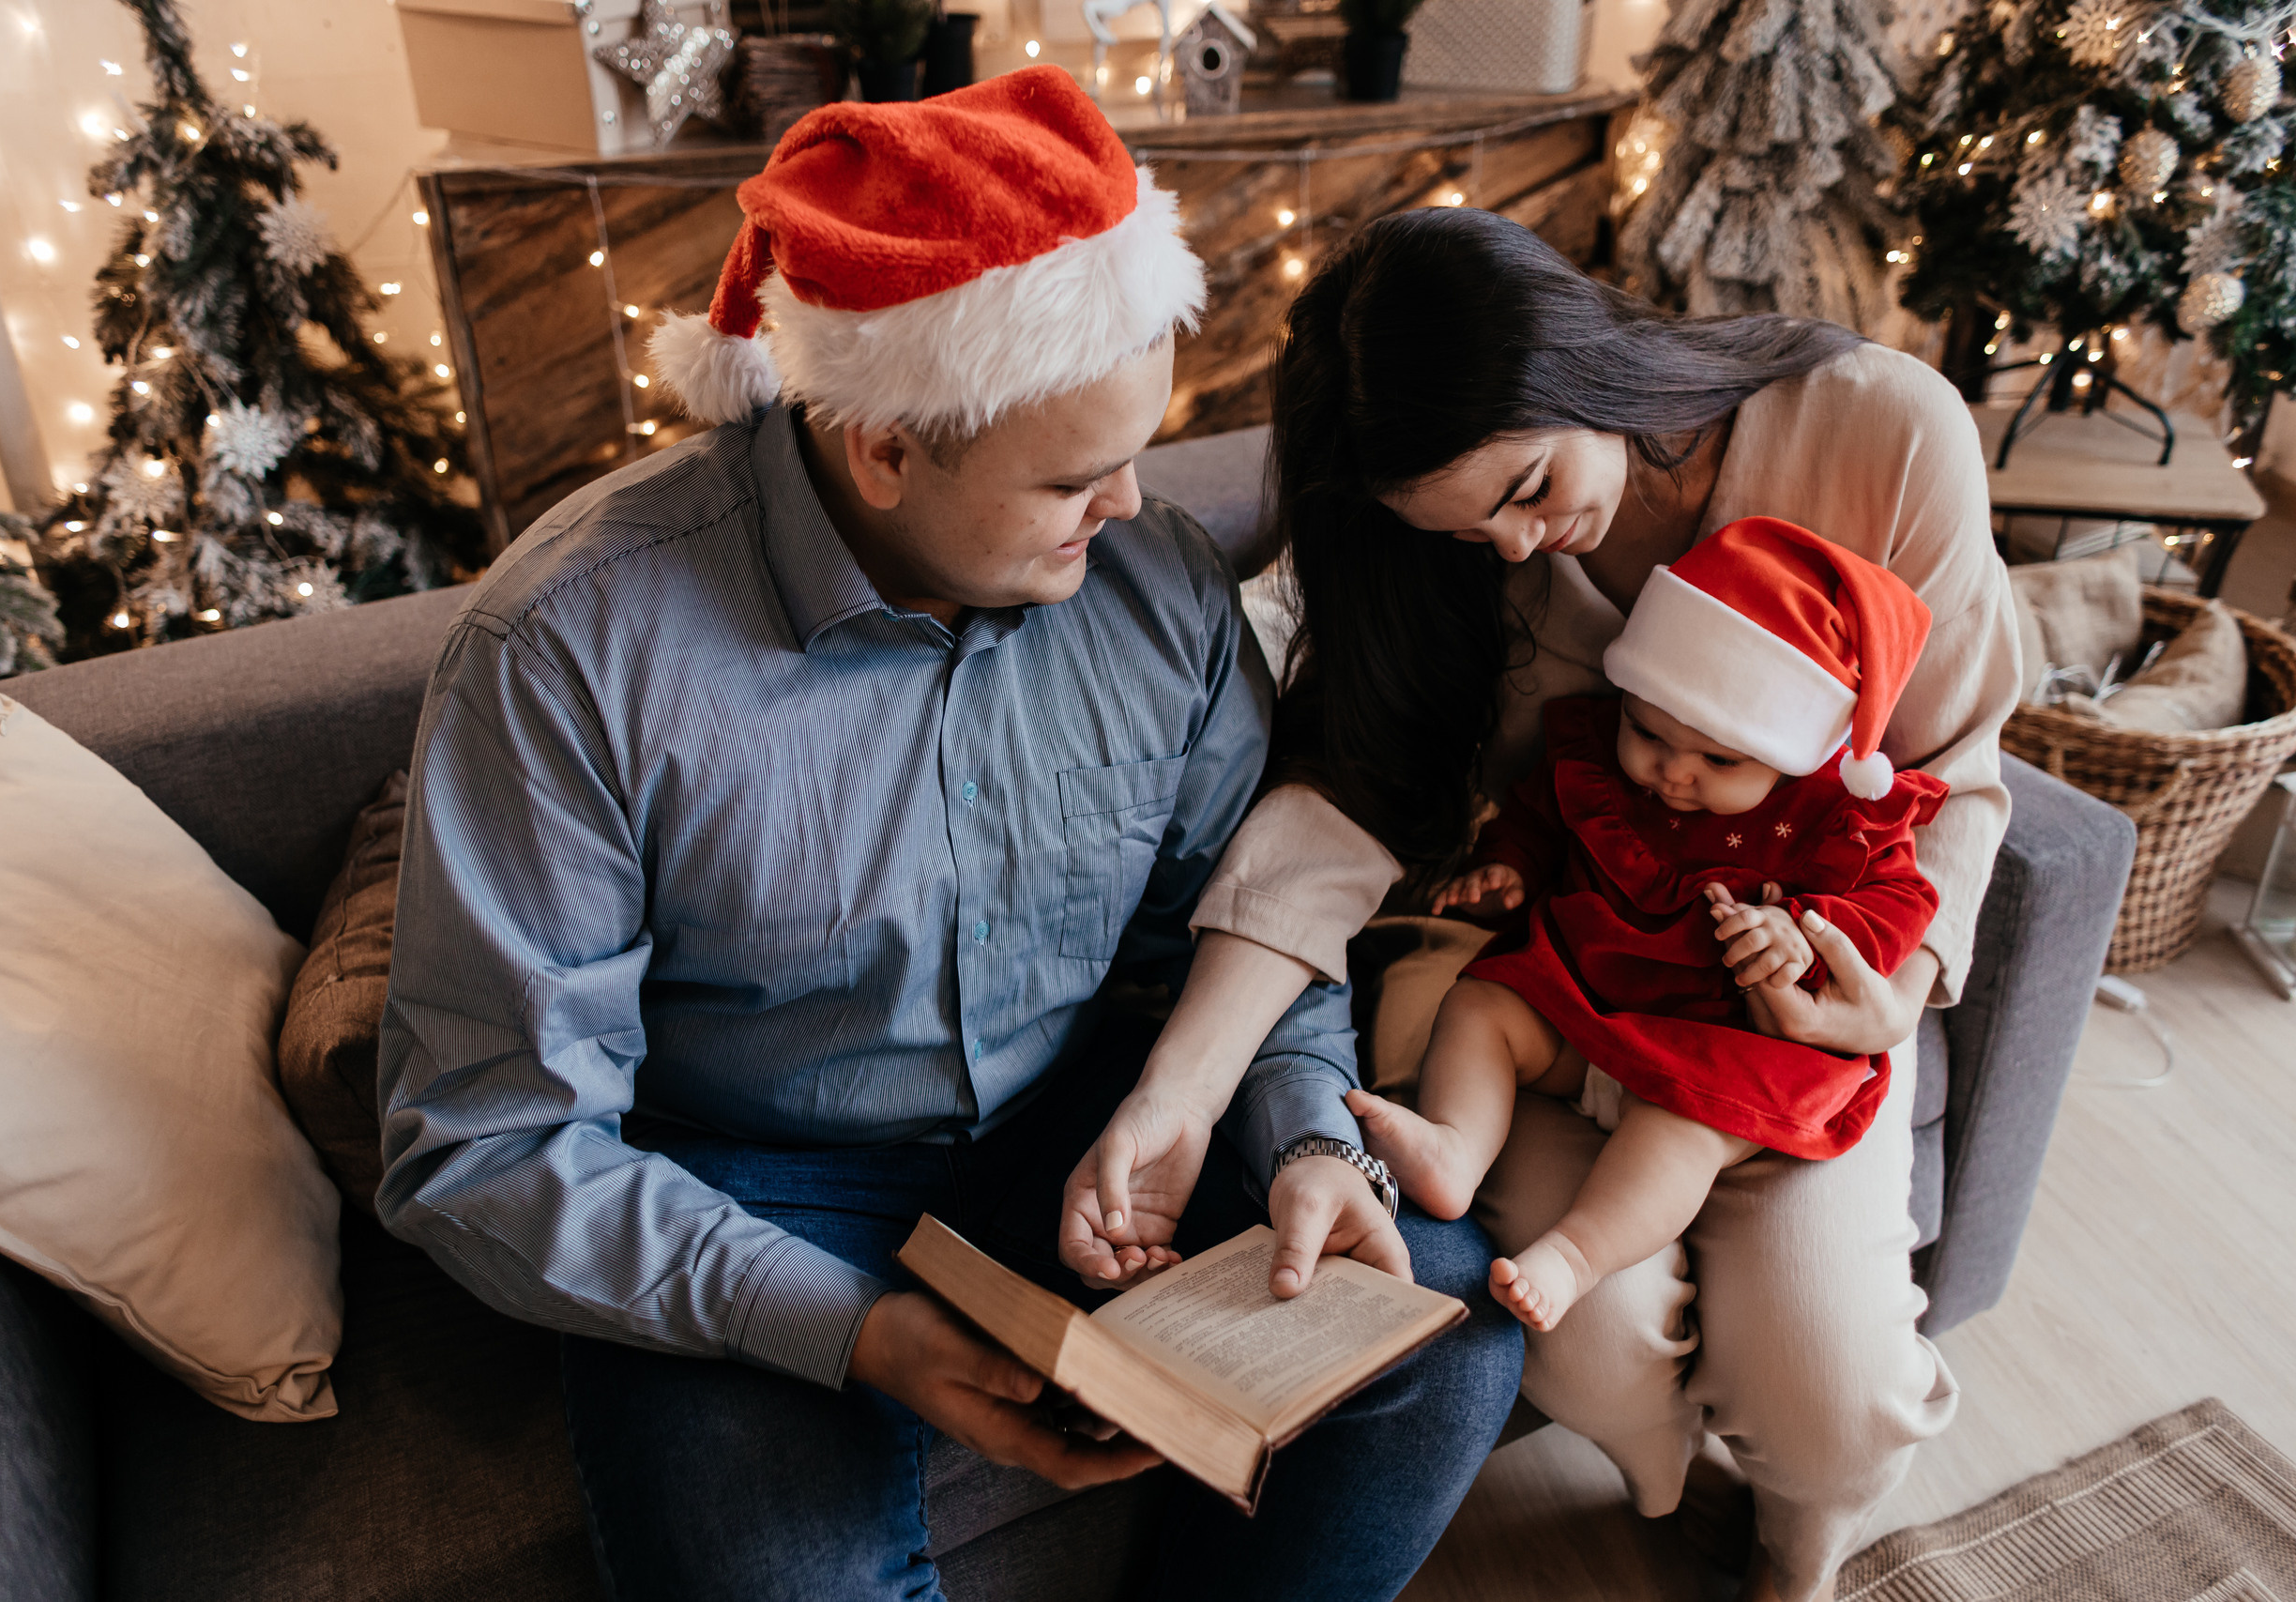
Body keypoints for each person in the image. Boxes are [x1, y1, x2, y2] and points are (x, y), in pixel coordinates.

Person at [374, 71, 1518, 1602]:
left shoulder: (1158, 583)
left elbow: (1249, 921)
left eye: (1141, 453)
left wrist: (1305, 1129)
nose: (1132, 509)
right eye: (1072, 475)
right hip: (744, 1175)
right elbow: (488, 1142)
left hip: (1084, 1108)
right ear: (884, 447)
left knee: (1449, 1320)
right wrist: (854, 1326)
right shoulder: (568, 652)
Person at [1072, 208, 2017, 1602]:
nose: (1516, 551)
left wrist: (1891, 979)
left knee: (1834, 1387)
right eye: (1471, 531)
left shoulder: (1880, 433)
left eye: (1524, 489)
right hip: (1584, 985)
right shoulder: (1460, 558)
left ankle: (1796, 1541)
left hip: (1800, 1013)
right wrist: (1183, 1085)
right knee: (1582, 1330)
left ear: (1570, 360)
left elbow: (1948, 767)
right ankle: (1659, 1476)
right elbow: (1347, 804)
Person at [1347, 516, 1950, 1335]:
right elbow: (1541, 813)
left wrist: (1805, 933)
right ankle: (1457, 1149)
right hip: (1589, 1007)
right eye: (1648, 733)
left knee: (1679, 1133)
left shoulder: (1840, 817)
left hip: (1720, 1050)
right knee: (1483, 1004)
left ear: (1800, 749)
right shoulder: (1602, 755)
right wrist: (1510, 866)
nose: (1671, 769)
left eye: (1718, 760)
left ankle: (1575, 1255)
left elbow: (1897, 907)